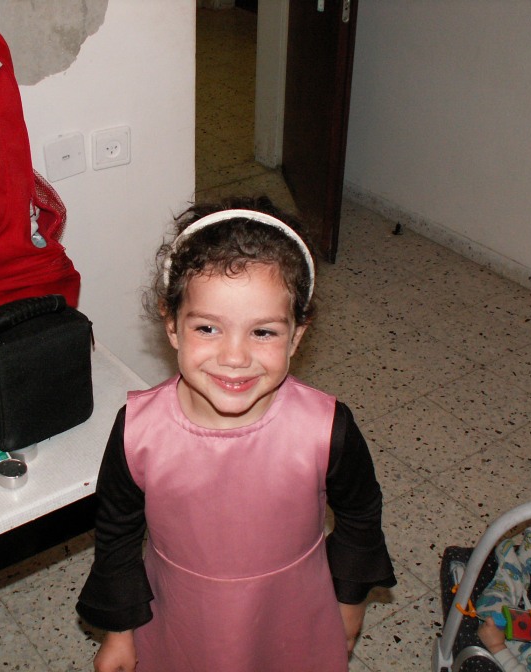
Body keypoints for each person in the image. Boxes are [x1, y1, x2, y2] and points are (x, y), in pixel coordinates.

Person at [75, 197, 396, 672]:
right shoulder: (138, 432)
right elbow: (117, 535)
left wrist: (349, 603)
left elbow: (360, 515)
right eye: (208, 328)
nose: (234, 357)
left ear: (296, 335)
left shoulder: (326, 428)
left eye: (263, 333)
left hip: (290, 612)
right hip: (182, 617)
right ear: (172, 325)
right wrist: (119, 633)